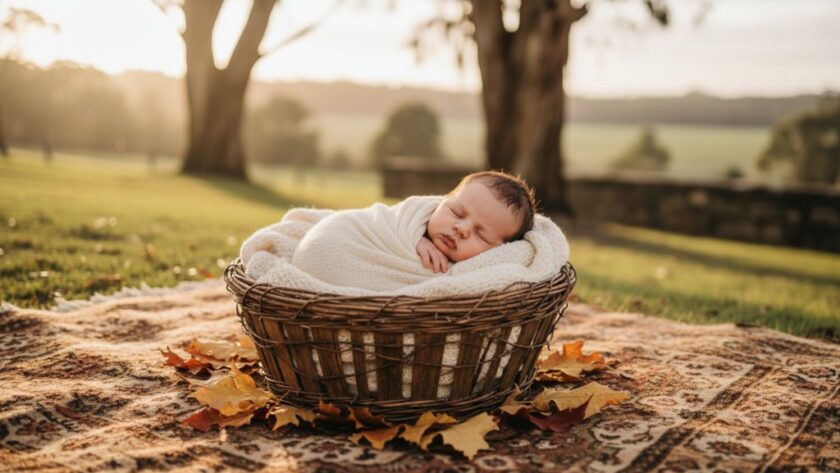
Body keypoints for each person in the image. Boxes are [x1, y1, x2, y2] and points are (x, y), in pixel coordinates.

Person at [416, 171, 537, 274]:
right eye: (456, 212)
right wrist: (415, 239)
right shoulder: (411, 219)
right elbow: (398, 226)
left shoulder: (478, 275)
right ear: (444, 199)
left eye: (480, 235)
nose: (462, 229)